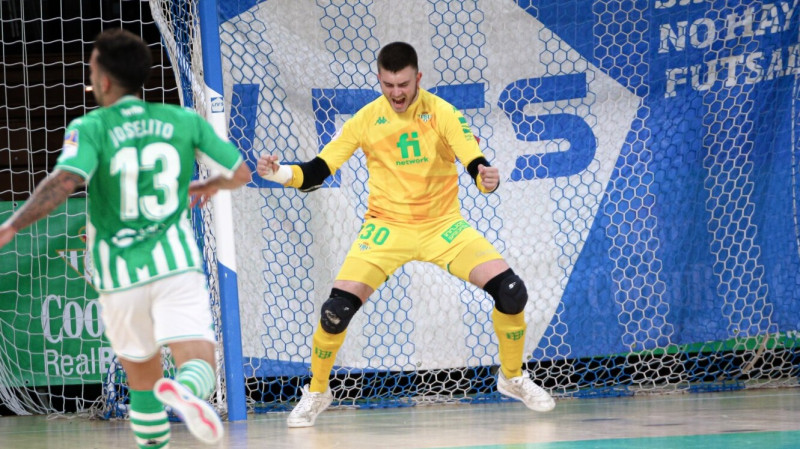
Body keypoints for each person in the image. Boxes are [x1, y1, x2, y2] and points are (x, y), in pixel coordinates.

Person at [257, 41, 556, 428]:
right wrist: (279, 173)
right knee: (335, 312)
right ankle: (317, 390)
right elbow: (317, 170)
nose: (396, 93)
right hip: (385, 229)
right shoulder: (366, 119)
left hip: (443, 228)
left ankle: (512, 377)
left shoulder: (442, 112)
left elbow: (473, 161)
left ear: (418, 78)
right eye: (388, 84)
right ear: (379, 80)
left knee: (512, 292)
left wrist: (487, 180)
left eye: (403, 84)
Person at [0, 29, 251, 448]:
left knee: (142, 385)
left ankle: (158, 423)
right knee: (199, 363)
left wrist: (11, 226)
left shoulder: (91, 125)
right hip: (173, 263)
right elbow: (239, 173)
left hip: (117, 274)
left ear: (103, 80)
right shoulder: (184, 120)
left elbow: (65, 182)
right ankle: (186, 390)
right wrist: (202, 189)